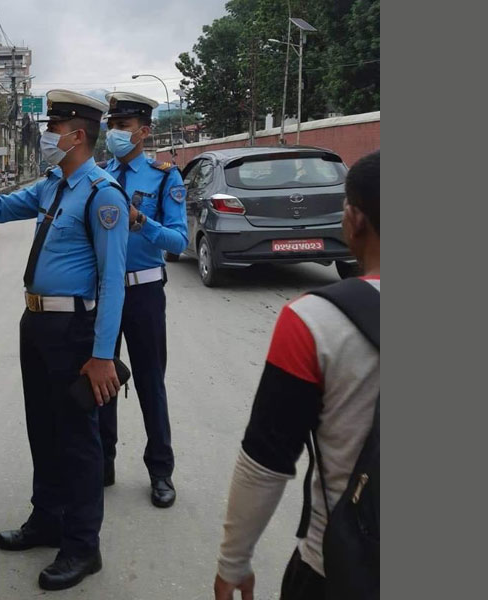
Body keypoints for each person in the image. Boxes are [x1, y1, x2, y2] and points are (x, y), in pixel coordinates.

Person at [0, 90, 128, 591]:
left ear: (77, 135)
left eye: (54, 128)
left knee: (79, 442)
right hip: (36, 325)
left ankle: (83, 546)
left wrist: (103, 356)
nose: (47, 136)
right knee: (43, 427)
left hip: (75, 331)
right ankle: (48, 519)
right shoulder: (51, 188)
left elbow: (113, 281)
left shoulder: (103, 194)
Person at [213, 151, 380, 600]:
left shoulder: (314, 320)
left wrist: (234, 562)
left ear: (353, 220)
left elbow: (266, 459)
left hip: (340, 567)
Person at [97, 92, 188, 508]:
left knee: (151, 381)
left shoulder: (164, 177)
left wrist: (143, 221)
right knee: (101, 380)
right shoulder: (99, 176)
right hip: (104, 293)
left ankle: (160, 471)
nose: (116, 132)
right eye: (112, 125)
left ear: (145, 131)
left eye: (124, 125)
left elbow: (180, 241)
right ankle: (103, 461)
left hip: (146, 291)